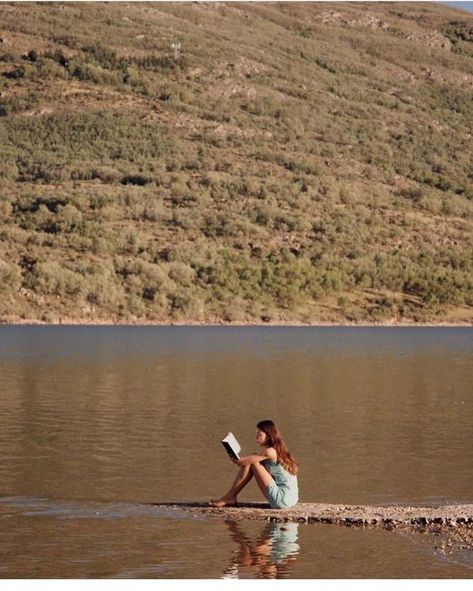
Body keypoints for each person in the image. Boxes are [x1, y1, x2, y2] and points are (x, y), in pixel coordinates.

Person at [209, 419, 299, 509]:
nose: (256, 437)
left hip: (281, 499)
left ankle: (229, 497)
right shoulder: (279, 450)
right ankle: (230, 497)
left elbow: (241, 462)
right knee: (253, 459)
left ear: (268, 436)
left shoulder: (270, 452)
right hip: (291, 499)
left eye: (259, 434)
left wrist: (229, 447)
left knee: (253, 462)